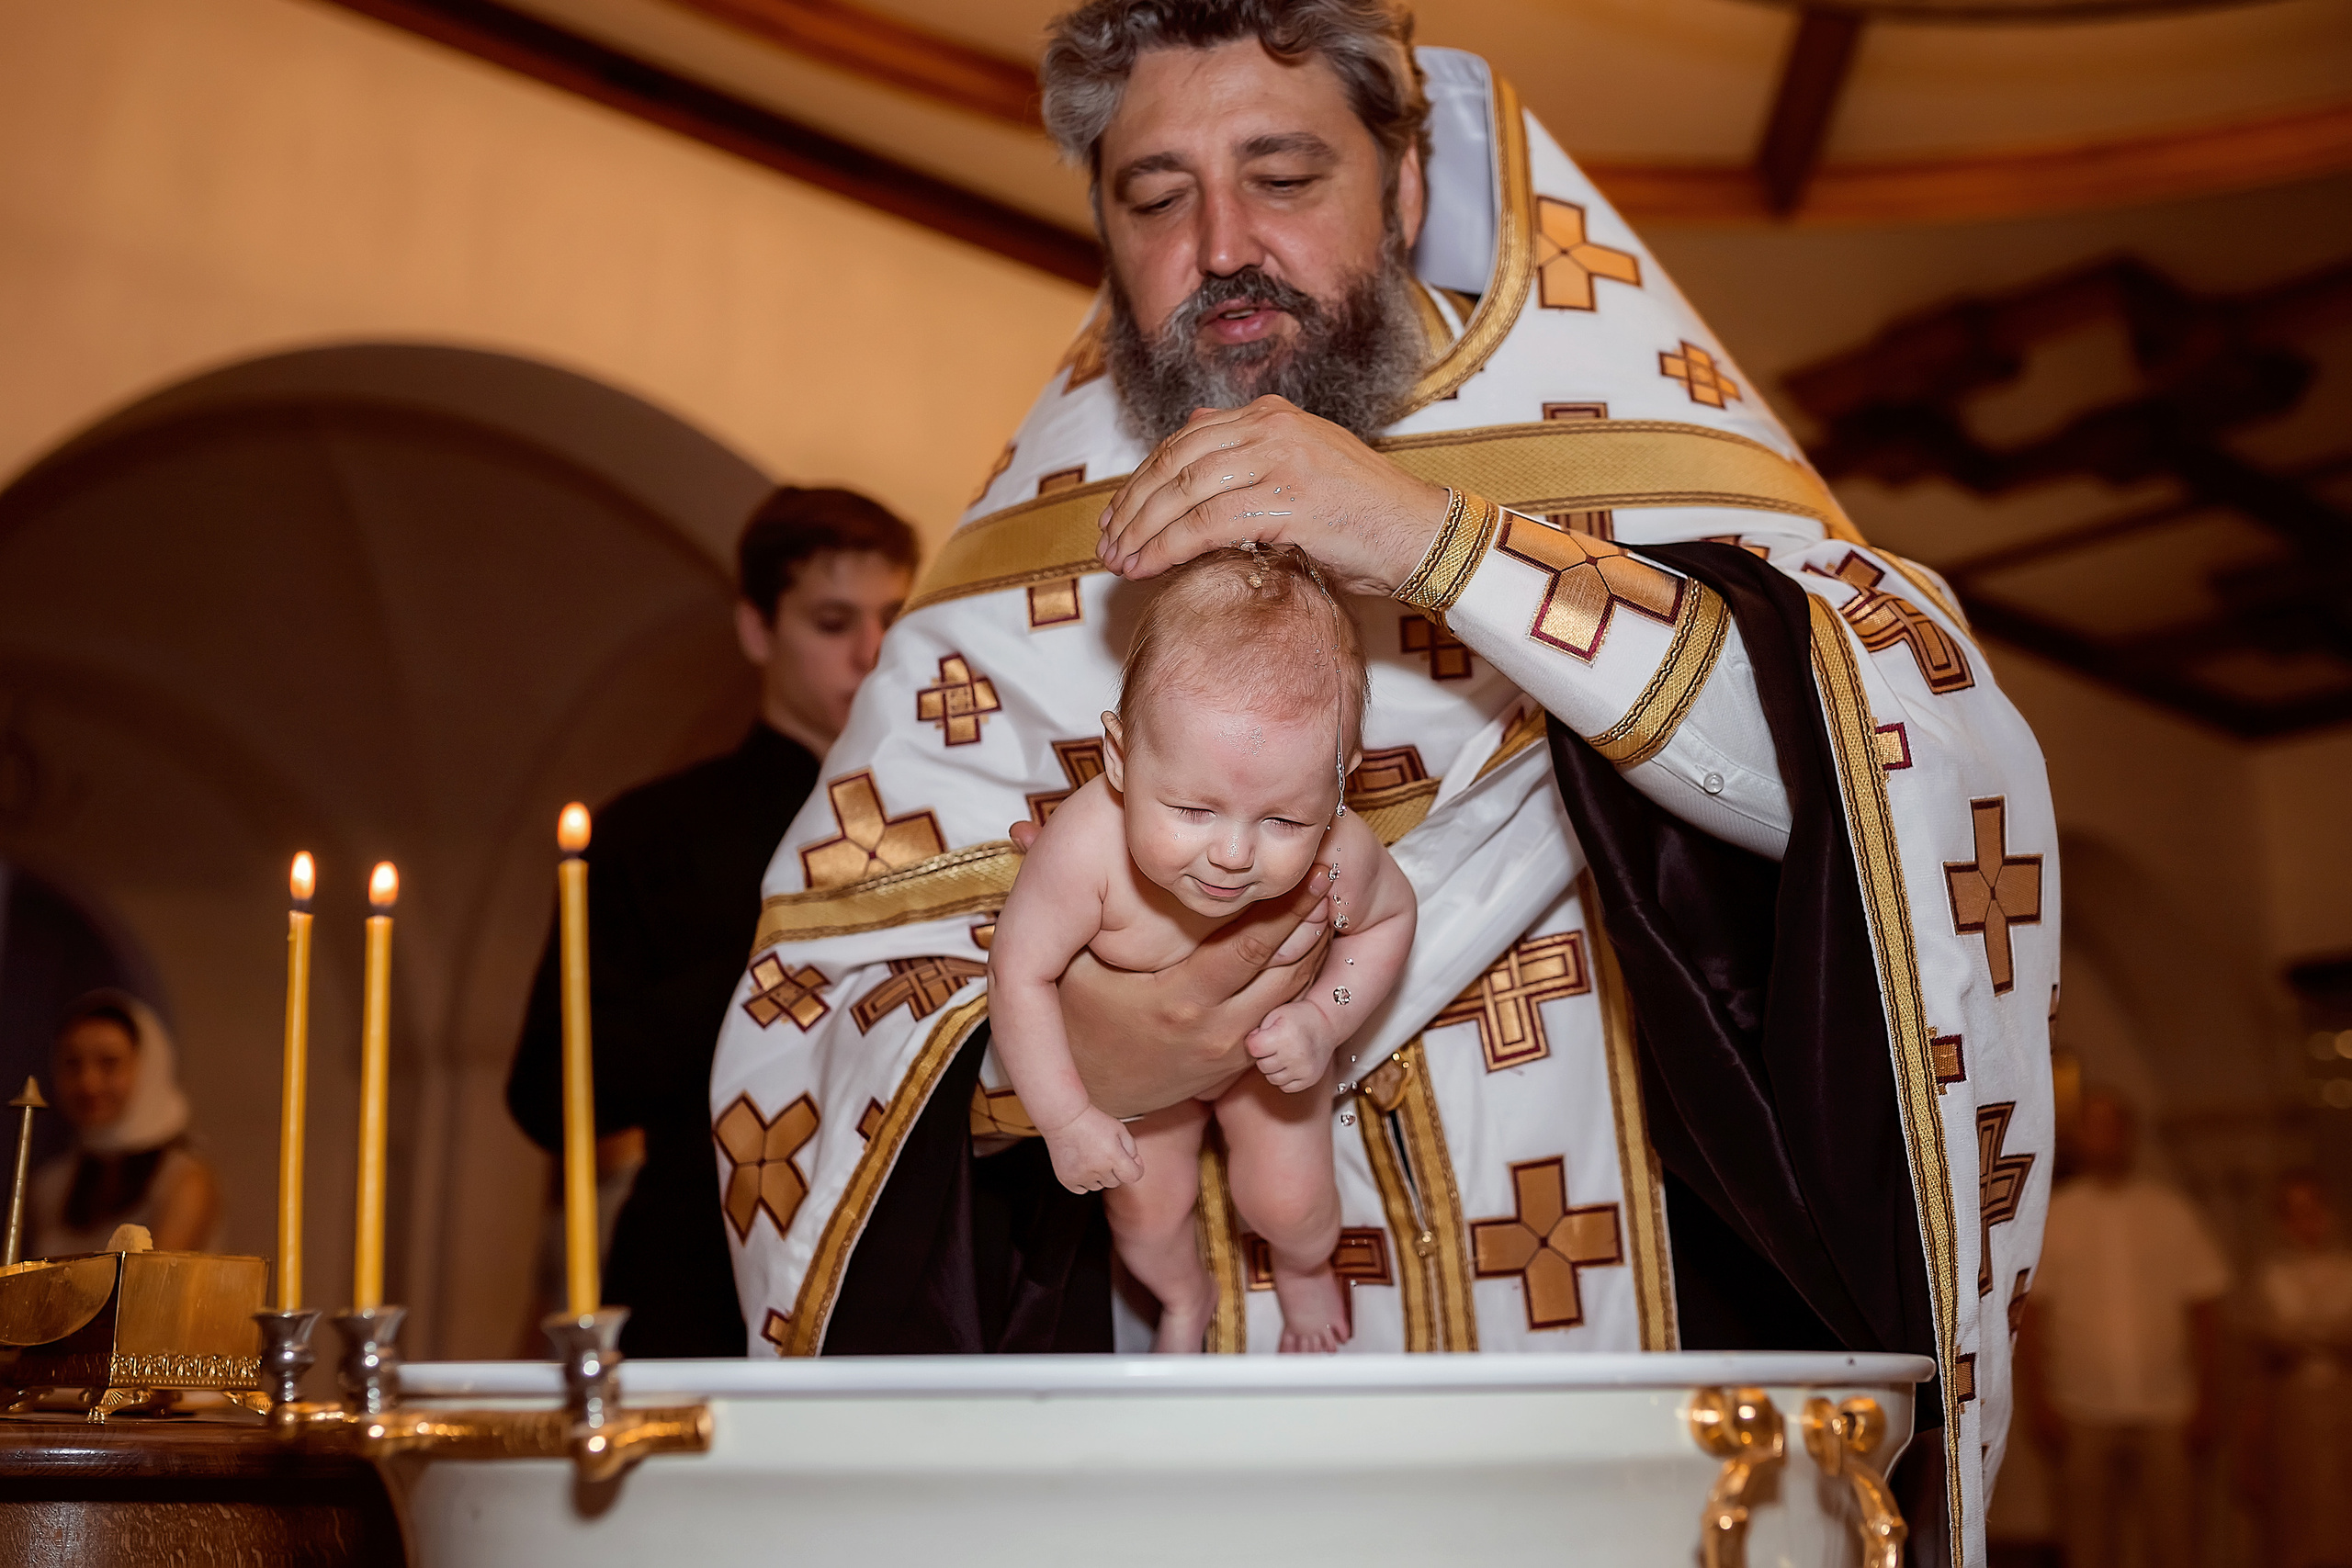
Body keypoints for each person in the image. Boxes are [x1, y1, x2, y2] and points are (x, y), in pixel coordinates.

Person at [709, 6, 2054, 1558]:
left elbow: (1919, 769)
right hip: (1213, 1444)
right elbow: (800, 1025)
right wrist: (1067, 1063)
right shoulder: (1013, 584)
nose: (1222, 245)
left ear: (1404, 188)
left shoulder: (1639, 440)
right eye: (1154, 197)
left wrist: (1441, 545)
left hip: (1618, 1400)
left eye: (1283, 173)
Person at [507, 486, 915, 1357]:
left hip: (905, 1276)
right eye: (834, 622)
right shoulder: (655, 830)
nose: (873, 653)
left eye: (894, 617)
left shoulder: (956, 823)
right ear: (758, 629)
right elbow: (548, 1086)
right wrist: (777, 962)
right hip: (698, 1281)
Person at [991, 546, 1415, 1353]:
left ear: (1340, 783)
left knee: (1290, 1202)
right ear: (1119, 758)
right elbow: (1020, 971)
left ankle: (1302, 1267)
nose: (1232, 853)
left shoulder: (1338, 850)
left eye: (1283, 819)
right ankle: (1184, 1297)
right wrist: (1066, 1115)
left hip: (1267, 1062)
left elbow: (1389, 920)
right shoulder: (1085, 853)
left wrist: (1325, 1020)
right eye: (1190, 808)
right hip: (1129, 1077)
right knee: (1146, 1217)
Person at [2017, 1089, 2225, 1568]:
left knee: (2175, 1543)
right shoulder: (2055, 1215)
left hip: (2167, 1405)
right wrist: (2039, 1401)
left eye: (2114, 1125)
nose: (2104, 1137)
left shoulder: (2172, 1212)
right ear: (2080, 1137)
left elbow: (2206, 1308)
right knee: (2087, 1545)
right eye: (2094, 1126)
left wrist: (2208, 1398)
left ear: (2129, 1136)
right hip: (2081, 1406)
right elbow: (2032, 1316)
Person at [28, 990, 219, 1257]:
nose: (88, 1083)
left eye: (109, 1063)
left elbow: (150, 1288)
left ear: (148, 1068)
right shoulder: (51, 1186)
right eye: (72, 1064)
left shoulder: (183, 1182)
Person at [2239, 1170, 2352, 1568]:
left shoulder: (2348, 1271)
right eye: (2295, 1212)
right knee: (2295, 1528)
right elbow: (2259, 1363)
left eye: (2314, 1209)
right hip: (2290, 1419)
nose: (2307, 1221)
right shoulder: (2271, 1278)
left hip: (2345, 1413)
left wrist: (2307, 1336)